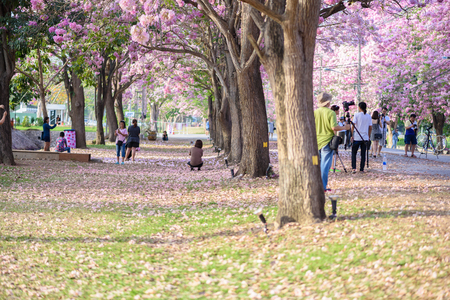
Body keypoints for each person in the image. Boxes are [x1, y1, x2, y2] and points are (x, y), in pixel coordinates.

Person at [314, 92, 350, 191]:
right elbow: (334, 127)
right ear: (328, 102)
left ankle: (316, 186)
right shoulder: (331, 113)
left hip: (316, 141)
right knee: (325, 166)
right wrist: (345, 127)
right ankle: (322, 187)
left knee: (317, 165)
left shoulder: (315, 112)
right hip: (327, 141)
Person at [351, 102, 372, 174]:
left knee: (354, 153)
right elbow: (370, 127)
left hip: (357, 137)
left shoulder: (356, 115)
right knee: (363, 154)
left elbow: (353, 125)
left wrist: (352, 135)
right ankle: (361, 168)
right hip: (365, 137)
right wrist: (368, 136)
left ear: (359, 107)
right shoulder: (368, 116)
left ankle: (354, 168)